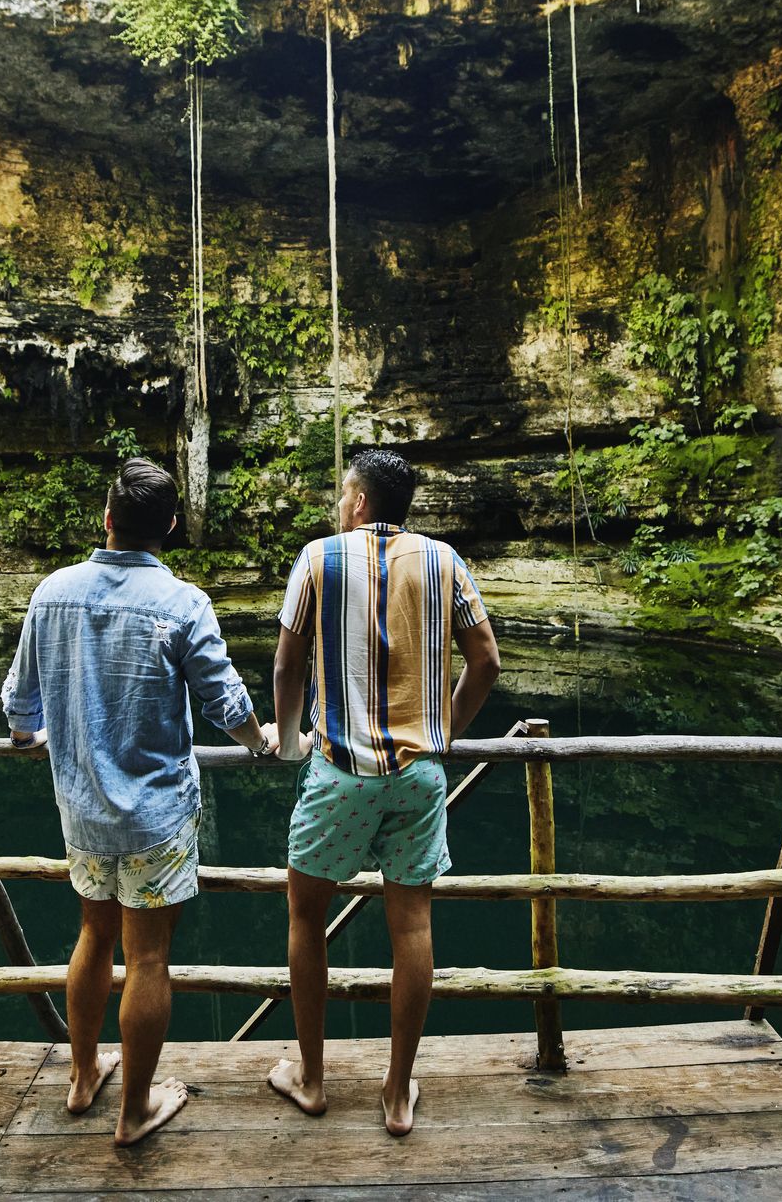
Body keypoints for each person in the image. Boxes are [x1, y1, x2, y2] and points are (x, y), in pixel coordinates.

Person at [1, 456, 278, 1147]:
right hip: (155, 816)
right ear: (172, 528)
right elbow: (227, 704)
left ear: (107, 519)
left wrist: (28, 735)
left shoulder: (52, 592)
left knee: (93, 935)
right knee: (147, 959)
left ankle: (83, 1075)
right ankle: (133, 1115)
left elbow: (19, 705)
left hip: (83, 811)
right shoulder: (182, 602)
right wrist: (263, 739)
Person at [265, 448, 502, 1135]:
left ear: (360, 502)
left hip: (339, 772)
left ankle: (311, 1080)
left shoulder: (317, 558)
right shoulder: (444, 561)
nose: (341, 504)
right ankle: (397, 1095)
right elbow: (485, 659)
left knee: (306, 916)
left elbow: (287, 666)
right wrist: (445, 730)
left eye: (345, 494)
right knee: (414, 927)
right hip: (418, 776)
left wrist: (287, 742)